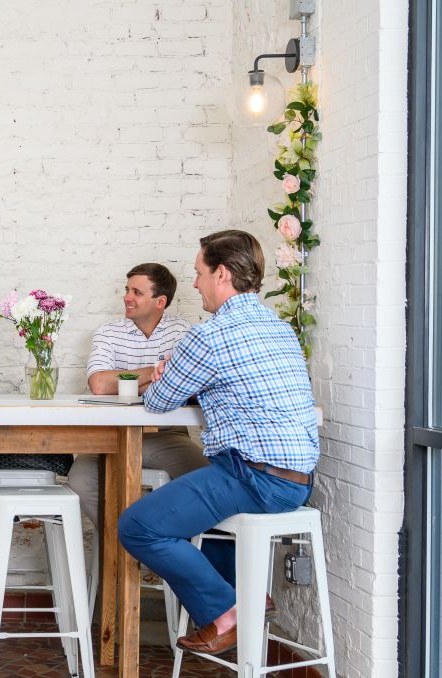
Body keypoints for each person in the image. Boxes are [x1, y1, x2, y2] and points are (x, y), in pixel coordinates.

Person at [118, 230, 318, 655]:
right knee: (201, 503)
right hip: (297, 481)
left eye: (199, 273)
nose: (194, 284)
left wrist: (164, 372)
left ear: (222, 274)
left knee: (138, 527)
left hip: (254, 478)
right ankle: (246, 597)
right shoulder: (279, 328)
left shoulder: (209, 335)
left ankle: (228, 611)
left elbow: (158, 399)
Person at [67, 263, 207, 524]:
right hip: (109, 436)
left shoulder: (183, 332)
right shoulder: (108, 333)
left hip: (167, 435)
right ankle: (125, 546)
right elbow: (99, 385)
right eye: (126, 290)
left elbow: (187, 386)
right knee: (79, 483)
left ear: (160, 301)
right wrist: (156, 372)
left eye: (136, 292)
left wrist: (122, 381)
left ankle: (167, 545)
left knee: (207, 482)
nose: (127, 297)